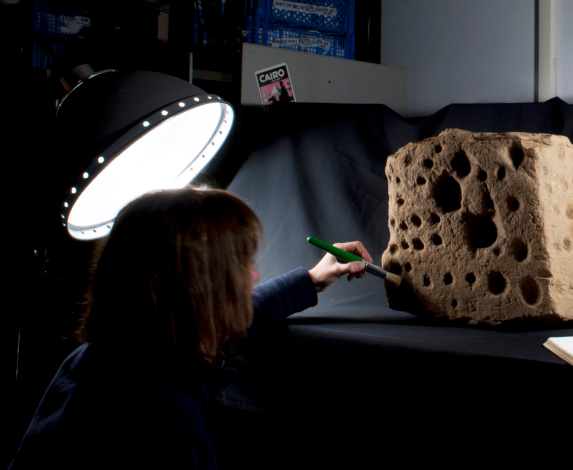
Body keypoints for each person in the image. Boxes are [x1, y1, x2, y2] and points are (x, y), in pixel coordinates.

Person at [8, 187, 372, 469]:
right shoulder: (166, 434)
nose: (256, 276)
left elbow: (245, 311)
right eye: (242, 267)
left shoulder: (99, 360)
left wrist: (311, 279)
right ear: (200, 292)